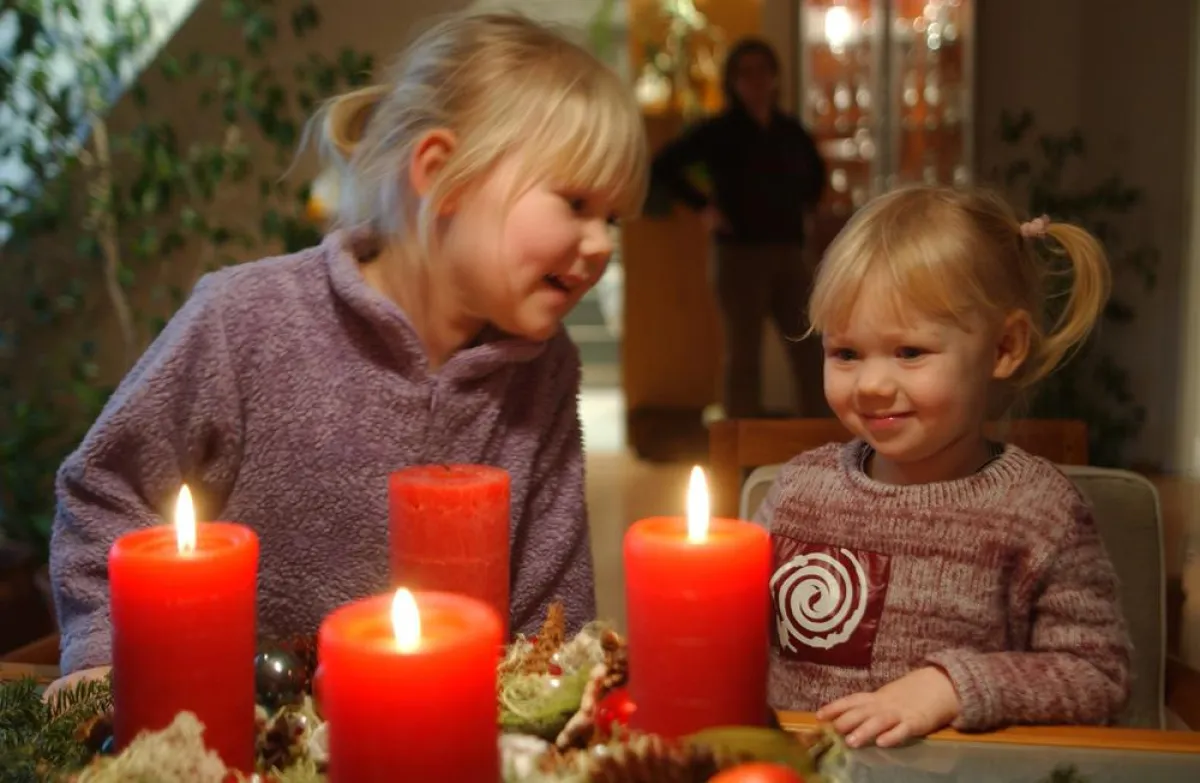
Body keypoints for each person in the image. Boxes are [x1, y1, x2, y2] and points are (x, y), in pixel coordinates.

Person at [47, 12, 647, 692]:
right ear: (441, 175)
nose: (601, 243)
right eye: (575, 202)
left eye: (614, 217)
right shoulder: (244, 318)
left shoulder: (544, 369)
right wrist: (103, 656)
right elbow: (103, 489)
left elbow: (553, 603)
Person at [756, 185, 1131, 746]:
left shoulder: (1040, 512)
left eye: (910, 352)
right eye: (846, 353)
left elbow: (1099, 677)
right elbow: (726, 618)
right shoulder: (797, 492)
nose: (874, 385)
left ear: (1004, 347)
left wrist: (952, 686)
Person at [650, 37, 827, 419]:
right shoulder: (720, 130)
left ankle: (821, 443)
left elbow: (816, 176)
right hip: (739, 256)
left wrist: (803, 209)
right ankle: (742, 454)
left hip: (789, 252)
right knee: (743, 356)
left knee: (810, 348)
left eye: (762, 70)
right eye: (745, 72)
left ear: (775, 76)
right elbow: (663, 165)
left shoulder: (789, 130)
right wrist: (703, 208)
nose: (756, 80)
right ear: (733, 80)